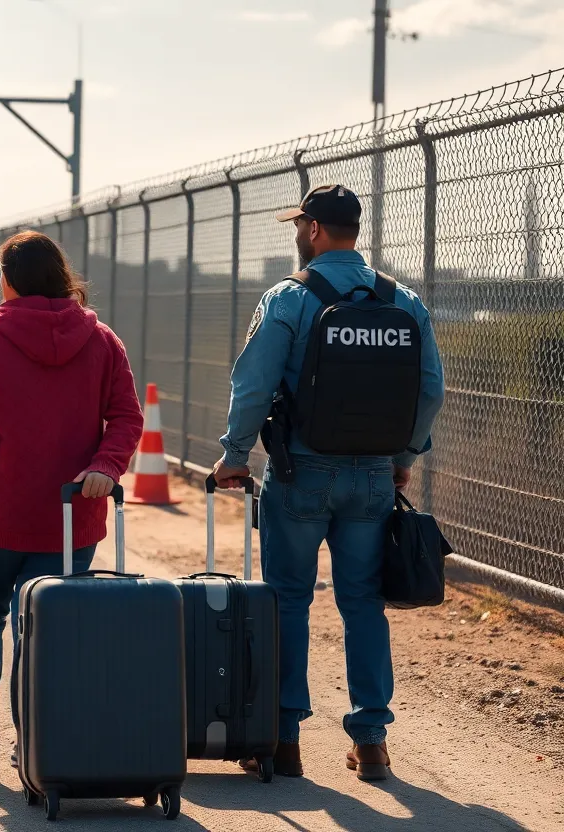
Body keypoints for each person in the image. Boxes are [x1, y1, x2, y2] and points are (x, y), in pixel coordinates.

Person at [211, 184, 445, 781]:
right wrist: (405, 454)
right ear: (355, 230)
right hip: (372, 475)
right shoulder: (404, 302)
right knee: (363, 601)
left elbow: (253, 383)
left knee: (288, 598)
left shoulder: (290, 297)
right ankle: (370, 740)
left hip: (301, 470)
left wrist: (235, 455)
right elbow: (430, 389)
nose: (297, 234)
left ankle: (284, 738)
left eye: (299, 225)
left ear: (313, 229)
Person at [0, 230, 144, 772]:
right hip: (72, 518)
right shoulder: (102, 341)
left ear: (9, 282)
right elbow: (127, 416)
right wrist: (104, 466)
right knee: (48, 628)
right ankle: (35, 740)